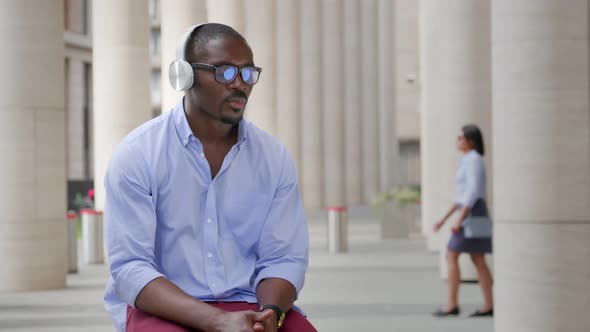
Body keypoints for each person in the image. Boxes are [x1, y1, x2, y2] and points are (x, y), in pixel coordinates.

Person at [103, 23, 316, 332]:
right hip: (165, 307)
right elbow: (130, 268)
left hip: (249, 303)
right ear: (184, 76)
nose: (240, 84)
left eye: (247, 73)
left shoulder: (274, 157)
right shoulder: (138, 154)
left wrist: (270, 314)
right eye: (225, 72)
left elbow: (283, 257)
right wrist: (217, 322)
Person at [432, 124, 493, 318]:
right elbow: (460, 195)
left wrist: (460, 218)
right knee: (477, 258)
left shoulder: (474, 160)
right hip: (468, 210)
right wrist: (443, 219)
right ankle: (488, 304)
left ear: (470, 140)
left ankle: (452, 304)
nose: (457, 140)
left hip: (472, 212)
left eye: (460, 137)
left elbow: (473, 193)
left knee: (453, 255)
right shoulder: (466, 160)